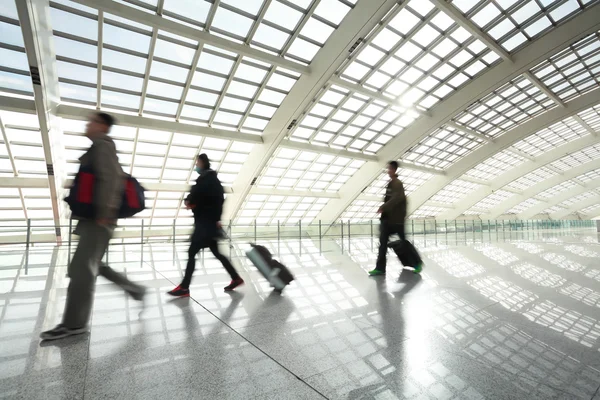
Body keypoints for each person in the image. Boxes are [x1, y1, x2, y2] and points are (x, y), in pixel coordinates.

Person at [41, 112, 146, 341]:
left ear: (103, 127)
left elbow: (111, 179)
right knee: (93, 264)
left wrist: (105, 213)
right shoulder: (98, 147)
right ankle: (136, 290)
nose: (87, 124)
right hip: (94, 219)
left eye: (92, 121)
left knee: (81, 268)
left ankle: (74, 324)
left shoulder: (103, 146)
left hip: (99, 220)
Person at [167, 153, 243, 297]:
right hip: (211, 224)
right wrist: (217, 219)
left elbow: (195, 195)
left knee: (191, 252)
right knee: (217, 253)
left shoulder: (205, 180)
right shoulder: (215, 181)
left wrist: (189, 201)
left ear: (202, 163)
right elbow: (219, 200)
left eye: (197, 164)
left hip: (204, 225)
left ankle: (184, 287)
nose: (196, 166)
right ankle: (236, 278)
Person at [369, 161, 423, 276]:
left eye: (389, 169)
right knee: (382, 244)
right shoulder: (391, 183)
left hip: (396, 220)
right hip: (387, 219)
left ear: (394, 170)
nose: (388, 171)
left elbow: (396, 198)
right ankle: (380, 268)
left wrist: (383, 207)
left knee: (403, 242)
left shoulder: (397, 183)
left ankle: (417, 263)